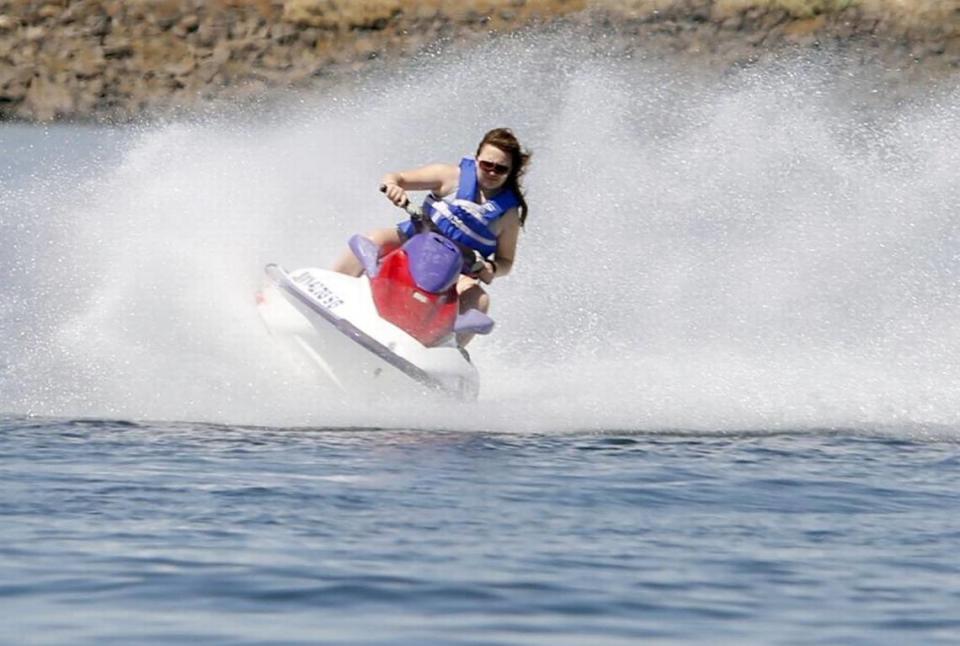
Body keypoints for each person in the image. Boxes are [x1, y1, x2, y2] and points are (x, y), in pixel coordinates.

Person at [332, 128, 531, 347]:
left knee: (480, 301)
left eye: (501, 169)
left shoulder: (509, 215)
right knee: (373, 239)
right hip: (414, 240)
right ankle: (329, 291)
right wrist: (392, 187)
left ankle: (446, 351)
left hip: (457, 270)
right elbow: (397, 178)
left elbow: (506, 262)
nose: (492, 172)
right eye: (487, 165)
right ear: (476, 160)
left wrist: (491, 268)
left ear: (510, 172)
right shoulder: (448, 176)